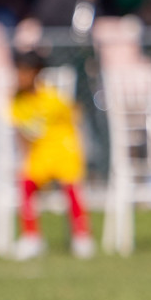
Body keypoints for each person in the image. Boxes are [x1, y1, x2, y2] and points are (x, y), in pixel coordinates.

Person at [9, 51, 93, 260]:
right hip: (40, 154)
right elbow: (21, 132)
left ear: (36, 74)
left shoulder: (53, 98)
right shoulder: (17, 101)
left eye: (25, 72)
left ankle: (81, 235)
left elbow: (74, 118)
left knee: (71, 186)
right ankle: (31, 236)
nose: (20, 77)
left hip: (63, 150)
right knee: (25, 183)